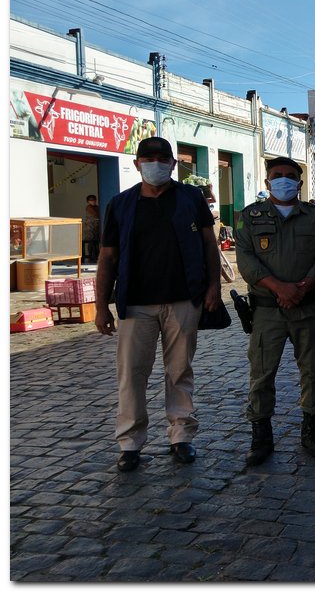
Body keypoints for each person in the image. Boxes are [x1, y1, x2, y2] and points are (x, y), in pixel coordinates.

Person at [94, 137, 222, 472]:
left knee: (180, 371)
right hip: (135, 304)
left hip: (184, 298)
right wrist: (99, 305)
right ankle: (130, 443)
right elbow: (107, 257)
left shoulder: (191, 198)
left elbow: (209, 244)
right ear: (137, 164)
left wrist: (213, 286)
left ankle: (181, 436)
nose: (155, 163)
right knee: (131, 375)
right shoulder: (120, 204)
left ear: (173, 164)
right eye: (147, 158)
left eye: (162, 158)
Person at [235, 157, 315, 466]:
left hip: (307, 309)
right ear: (267, 183)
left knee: (312, 371)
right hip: (267, 312)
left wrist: (302, 288)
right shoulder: (249, 217)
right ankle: (261, 437)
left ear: (300, 183)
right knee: (262, 374)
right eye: (276, 176)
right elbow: (246, 260)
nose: (283, 180)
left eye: (290, 176)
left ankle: (312, 432)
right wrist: (280, 288)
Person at [83, 194, 101, 263]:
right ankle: (91, 257)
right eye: (91, 200)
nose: (93, 201)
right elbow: (96, 214)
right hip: (90, 228)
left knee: (96, 243)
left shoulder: (97, 207)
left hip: (96, 227)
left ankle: (96, 256)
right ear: (88, 201)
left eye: (94, 200)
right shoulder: (89, 207)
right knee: (90, 242)